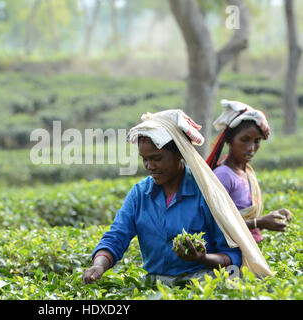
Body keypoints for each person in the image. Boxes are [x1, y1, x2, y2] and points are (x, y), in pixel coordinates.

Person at [82, 110, 244, 287]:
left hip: (201, 283)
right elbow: (116, 237)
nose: (149, 166)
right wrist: (98, 266)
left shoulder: (205, 193)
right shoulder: (139, 194)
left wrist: (202, 258)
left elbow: (232, 255)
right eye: (144, 159)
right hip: (156, 284)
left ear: (180, 153)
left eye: (156, 158)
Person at [207, 99, 292, 243]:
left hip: (250, 249)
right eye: (245, 140)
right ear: (229, 140)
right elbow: (217, 226)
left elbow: (243, 219)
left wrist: (271, 218)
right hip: (231, 256)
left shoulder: (248, 173)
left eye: (257, 141)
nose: (251, 148)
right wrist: (259, 222)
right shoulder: (223, 175)